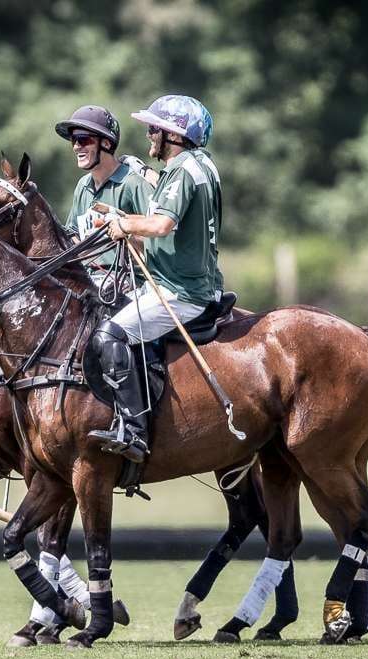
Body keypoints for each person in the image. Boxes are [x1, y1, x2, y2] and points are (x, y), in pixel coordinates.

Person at [88, 94, 223, 463]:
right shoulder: (198, 166)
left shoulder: (183, 169)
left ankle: (134, 431)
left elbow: (163, 224)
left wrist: (123, 223)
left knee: (110, 334)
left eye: (155, 129)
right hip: (175, 284)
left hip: (180, 292)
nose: (149, 135)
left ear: (174, 136)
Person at [55, 105, 154, 283]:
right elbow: (73, 236)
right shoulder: (82, 185)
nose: (76, 147)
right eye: (73, 140)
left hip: (130, 282)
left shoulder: (132, 184)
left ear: (106, 143)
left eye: (83, 139)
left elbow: (160, 239)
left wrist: (126, 231)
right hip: (89, 280)